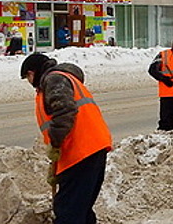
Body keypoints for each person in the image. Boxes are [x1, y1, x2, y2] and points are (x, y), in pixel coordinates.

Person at [20, 53, 112, 224]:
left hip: (82, 152)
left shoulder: (54, 80)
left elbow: (64, 112)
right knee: (80, 208)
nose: (29, 82)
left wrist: (55, 143)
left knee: (68, 211)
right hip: (91, 149)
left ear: (33, 72)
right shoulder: (64, 78)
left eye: (28, 76)